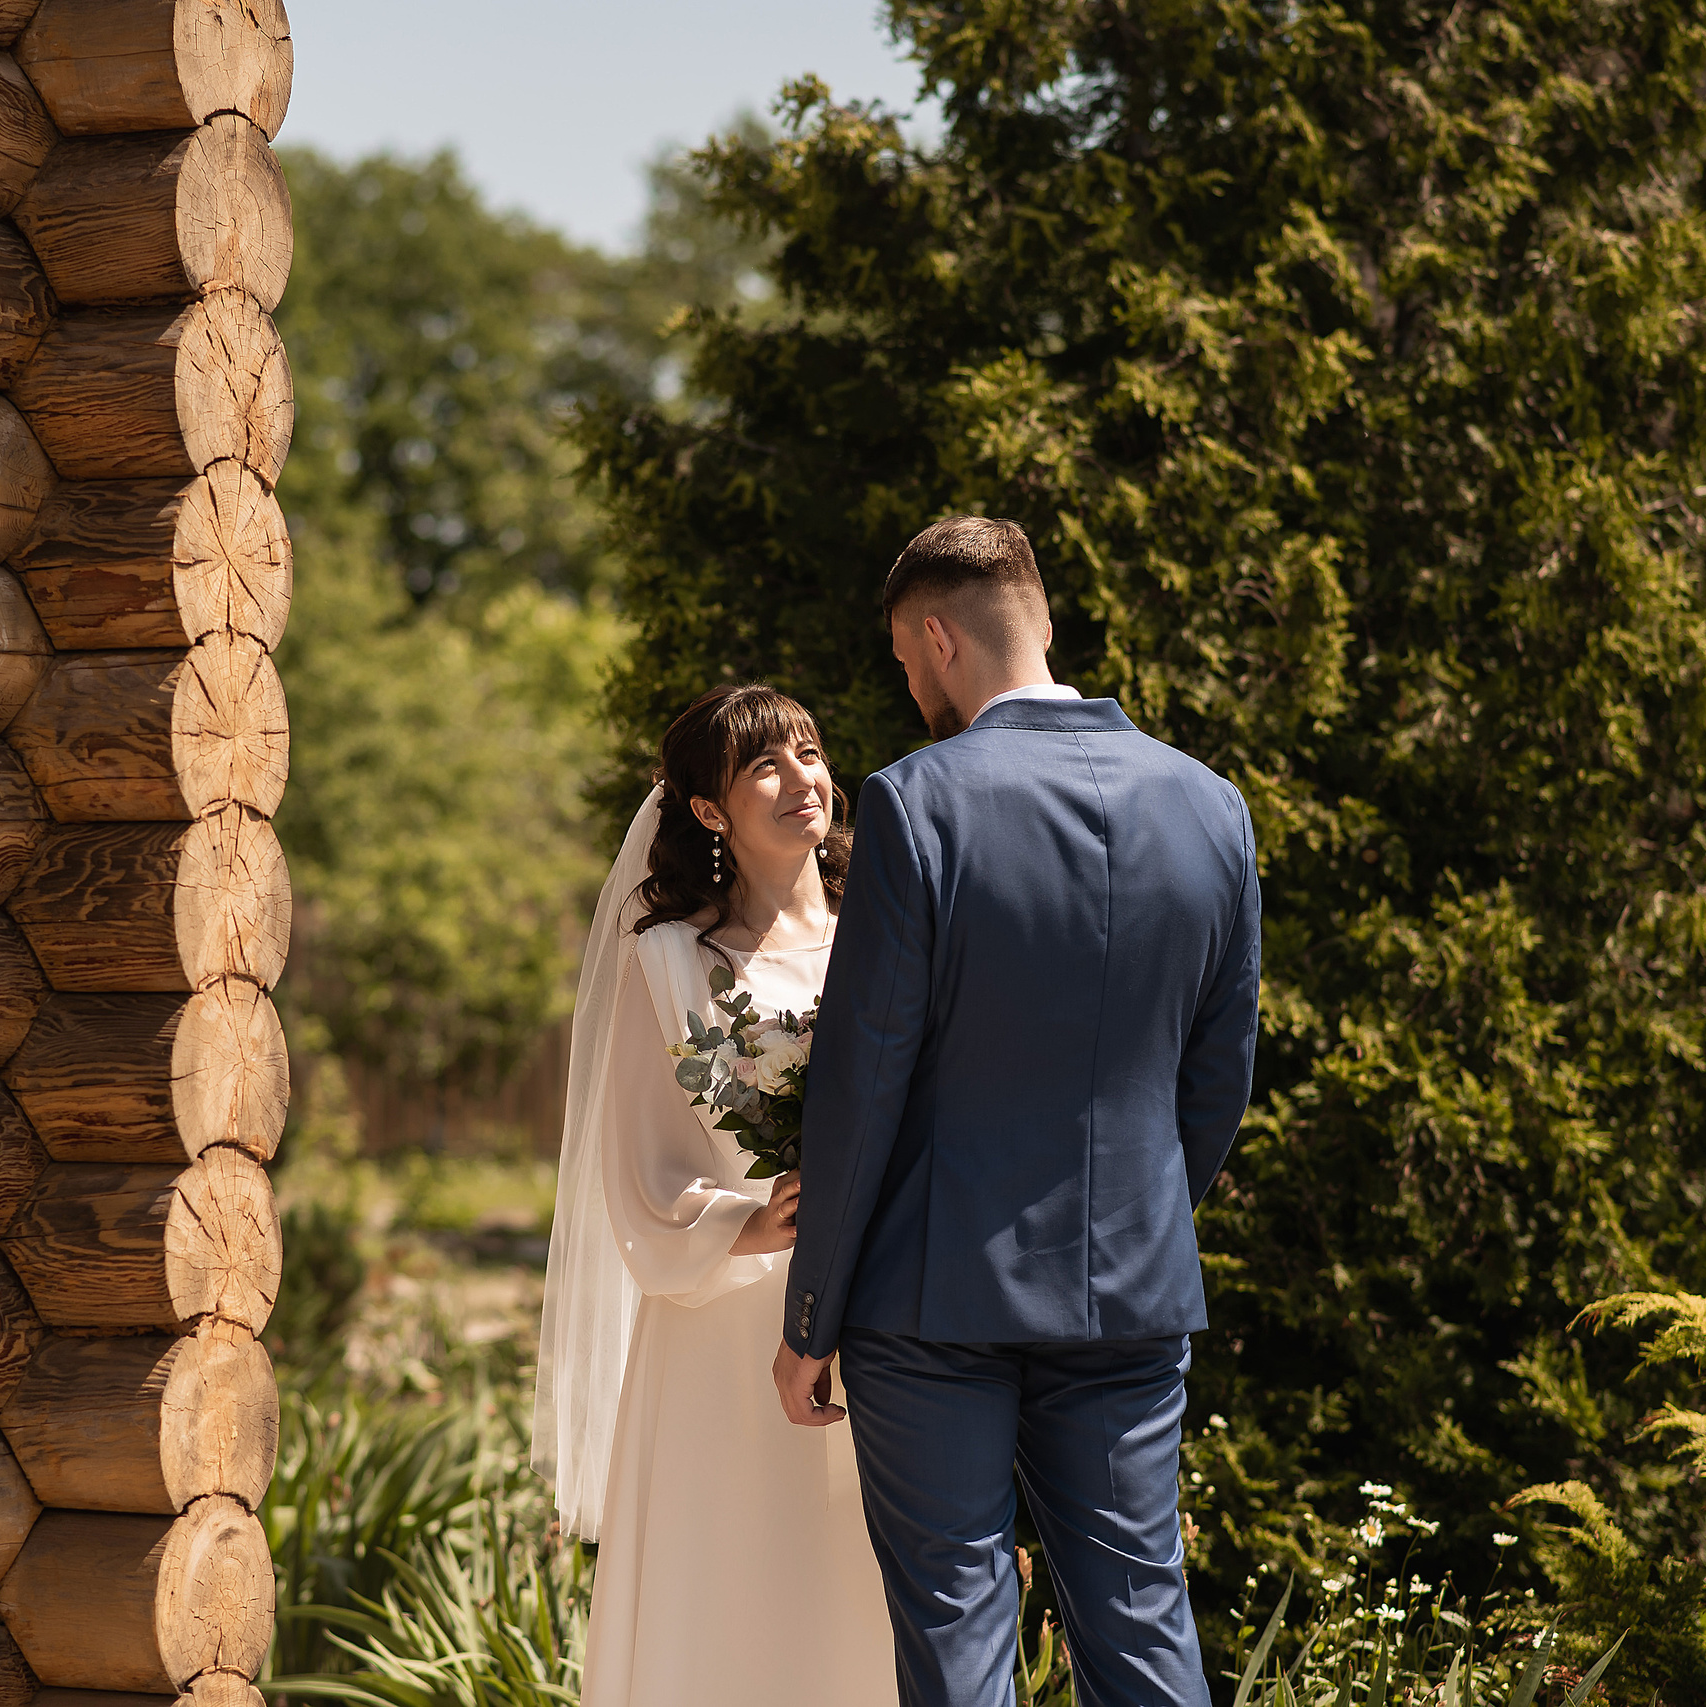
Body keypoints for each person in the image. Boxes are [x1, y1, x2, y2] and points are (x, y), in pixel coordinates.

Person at [773, 516, 1261, 1707]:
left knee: (959, 1635)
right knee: (1143, 1624)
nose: (907, 682)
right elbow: (1217, 1075)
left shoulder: (913, 803)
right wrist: (1136, 1218)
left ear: (937, 638)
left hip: (932, 1300)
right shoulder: (1212, 808)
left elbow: (865, 1073)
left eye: (900, 658)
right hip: (1129, 1292)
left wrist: (811, 1314)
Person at [535, 684, 897, 1707]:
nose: (804, 779)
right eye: (766, 766)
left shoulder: (894, 932)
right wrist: (750, 1217)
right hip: (721, 1334)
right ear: (707, 811)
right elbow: (637, 1175)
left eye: (811, 752)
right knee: (731, 1603)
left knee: (863, 1605)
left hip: (885, 1317)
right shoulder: (666, 964)